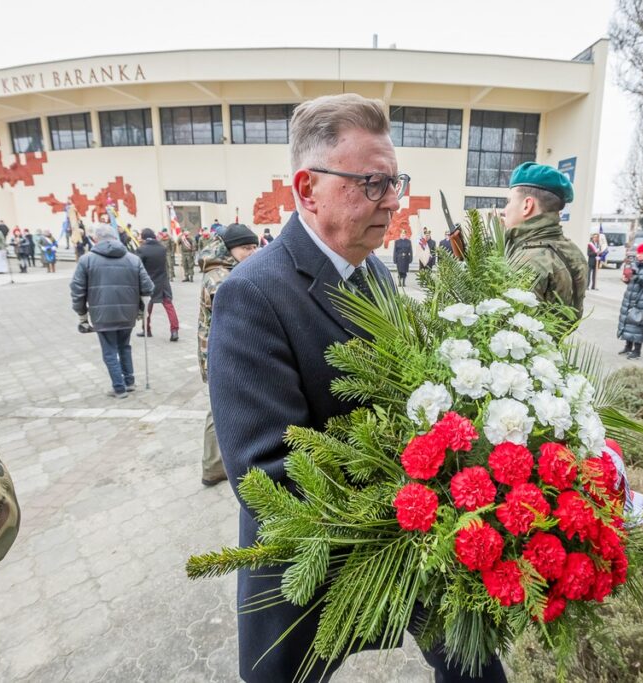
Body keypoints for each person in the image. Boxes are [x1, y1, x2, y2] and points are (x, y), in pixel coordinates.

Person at [210, 93, 506, 683]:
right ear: (307, 186)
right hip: (308, 561)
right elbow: (264, 473)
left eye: (395, 181)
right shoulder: (253, 295)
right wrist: (409, 497)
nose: (393, 200)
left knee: (475, 666)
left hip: (415, 533)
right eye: (371, 183)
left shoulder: (370, 269)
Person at [197, 223, 259, 486]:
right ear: (228, 249)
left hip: (222, 352)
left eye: (255, 246)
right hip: (220, 355)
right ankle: (213, 468)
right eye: (246, 247)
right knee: (219, 410)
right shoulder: (220, 277)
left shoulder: (231, 270)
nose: (252, 252)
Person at [70, 224, 154, 398]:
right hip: (127, 313)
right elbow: (148, 287)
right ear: (115, 237)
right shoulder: (132, 259)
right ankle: (129, 381)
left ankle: (119, 387)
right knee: (125, 345)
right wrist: (140, 309)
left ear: (96, 239)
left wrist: (81, 315)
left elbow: (77, 290)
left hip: (102, 315)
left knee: (109, 351)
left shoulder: (86, 260)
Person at [503, 162, 586, 316]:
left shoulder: (528, 261)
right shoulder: (572, 250)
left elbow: (508, 328)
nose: (505, 209)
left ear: (527, 205)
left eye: (508, 202)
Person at [136, 228, 180, 341]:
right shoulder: (162, 248)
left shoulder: (141, 250)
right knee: (169, 306)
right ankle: (174, 330)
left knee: (147, 308)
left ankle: (147, 329)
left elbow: (138, 266)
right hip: (163, 281)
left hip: (149, 283)